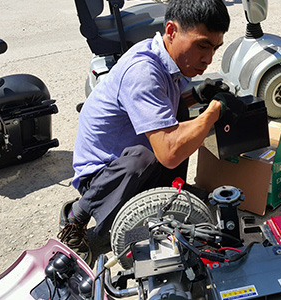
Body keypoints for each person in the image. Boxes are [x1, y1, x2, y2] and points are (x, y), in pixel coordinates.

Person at [57, 0, 245, 264]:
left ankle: (171, 190)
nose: (208, 58)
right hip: (105, 174)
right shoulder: (143, 70)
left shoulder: (169, 60)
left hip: (136, 153)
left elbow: (165, 104)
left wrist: (198, 95)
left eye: (215, 48)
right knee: (152, 152)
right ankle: (76, 216)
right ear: (171, 31)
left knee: (178, 112)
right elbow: (168, 153)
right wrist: (213, 112)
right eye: (202, 45)